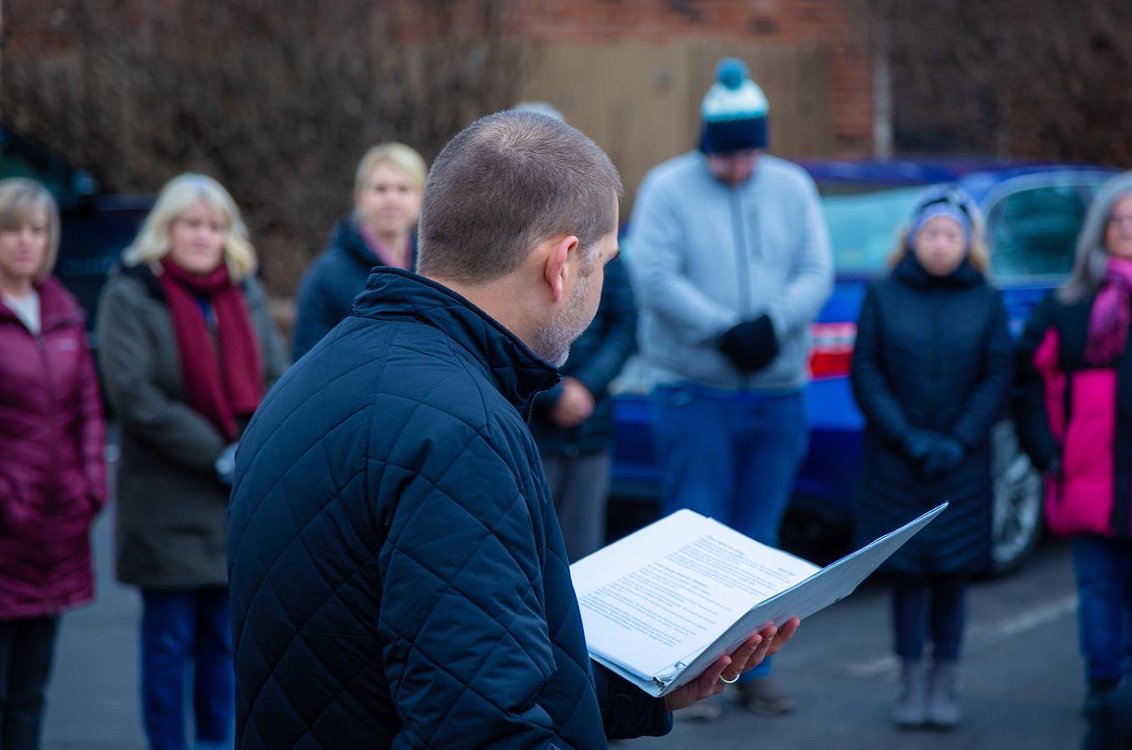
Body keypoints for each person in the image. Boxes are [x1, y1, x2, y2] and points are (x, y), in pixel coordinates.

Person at [227, 110, 799, 749]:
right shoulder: (456, 429)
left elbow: (448, 670)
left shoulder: (317, 377)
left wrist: (641, 690)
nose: (603, 283)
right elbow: (486, 730)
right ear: (563, 263)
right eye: (605, 262)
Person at [624, 57, 832, 718]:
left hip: (775, 389)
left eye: (750, 154)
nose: (741, 167)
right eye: (727, 157)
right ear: (705, 145)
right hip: (696, 388)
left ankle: (755, 668)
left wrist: (774, 323)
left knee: (761, 538)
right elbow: (651, 271)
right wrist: (722, 329)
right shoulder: (666, 188)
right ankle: (693, 674)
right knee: (694, 532)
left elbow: (814, 267)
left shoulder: (792, 187)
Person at [95, 174, 288, 750]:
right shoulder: (131, 293)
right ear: (166, 229)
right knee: (168, 649)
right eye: (190, 224)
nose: (203, 236)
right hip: (167, 503)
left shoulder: (243, 292)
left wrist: (248, 451)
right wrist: (217, 453)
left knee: (224, 653)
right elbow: (135, 396)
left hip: (233, 505)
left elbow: (276, 382)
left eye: (214, 225)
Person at [1014, 170, 1132, 717]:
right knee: (1096, 590)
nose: (1127, 229)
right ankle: (1104, 687)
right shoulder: (1067, 307)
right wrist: (1046, 453)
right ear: (1099, 231)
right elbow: (1027, 381)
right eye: (1117, 220)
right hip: (1084, 477)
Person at [850, 185, 1012, 730]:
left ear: (968, 244)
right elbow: (867, 373)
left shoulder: (986, 299)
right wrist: (909, 437)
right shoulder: (883, 296)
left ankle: (946, 678)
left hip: (961, 466)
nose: (940, 244)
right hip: (898, 464)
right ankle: (911, 679)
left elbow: (997, 376)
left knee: (952, 575)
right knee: (908, 577)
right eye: (931, 234)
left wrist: (960, 439)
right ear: (912, 240)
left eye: (951, 235)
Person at [0, 178, 107, 750]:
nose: (25, 242)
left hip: (55, 531)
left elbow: (88, 410)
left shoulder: (62, 311)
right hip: (6, 529)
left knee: (29, 692)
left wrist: (90, 484)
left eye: (37, 230)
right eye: (12, 228)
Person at [514, 101, 639, 562]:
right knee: (528, 562)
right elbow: (500, 330)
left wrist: (586, 386)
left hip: (589, 428)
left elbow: (625, 321)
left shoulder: (598, 232)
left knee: (585, 563)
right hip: (529, 428)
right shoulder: (503, 242)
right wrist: (552, 393)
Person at [291, 142, 426, 359]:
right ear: (359, 197)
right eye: (380, 189)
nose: (392, 199)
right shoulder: (325, 276)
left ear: (421, 199)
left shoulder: (433, 270)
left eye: (403, 189)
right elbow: (306, 359)